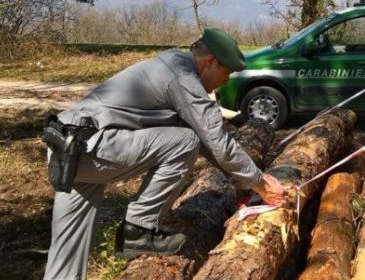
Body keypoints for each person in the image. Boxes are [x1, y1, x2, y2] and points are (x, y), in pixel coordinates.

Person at [43, 28, 288, 280]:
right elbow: (214, 140)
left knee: (67, 252)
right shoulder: (183, 78)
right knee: (185, 141)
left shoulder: (172, 63)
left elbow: (209, 142)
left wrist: (247, 178)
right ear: (210, 62)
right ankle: (139, 229)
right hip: (92, 147)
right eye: (226, 72)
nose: (226, 81)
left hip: (67, 149)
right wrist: (259, 182)